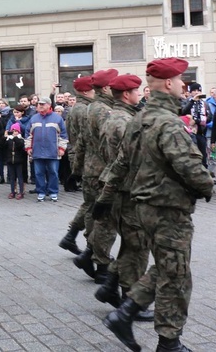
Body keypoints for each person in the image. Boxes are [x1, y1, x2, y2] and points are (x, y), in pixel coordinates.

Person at [103, 58, 213, 352]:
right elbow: (189, 166)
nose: (182, 85)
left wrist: (104, 198)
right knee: (176, 274)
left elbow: (121, 163)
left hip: (144, 206)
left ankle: (127, 315)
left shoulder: (140, 118)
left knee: (169, 267)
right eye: (180, 80)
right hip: (167, 208)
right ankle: (167, 342)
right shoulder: (168, 122)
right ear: (168, 83)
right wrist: (207, 186)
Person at [91, 74, 154, 323]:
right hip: (129, 191)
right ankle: (131, 300)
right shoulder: (125, 120)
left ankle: (110, 286)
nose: (139, 95)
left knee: (130, 243)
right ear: (127, 95)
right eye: (137, 92)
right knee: (137, 248)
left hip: (119, 188)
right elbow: (130, 160)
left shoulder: (115, 116)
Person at [72, 69, 119, 282]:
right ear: (107, 88)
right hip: (102, 172)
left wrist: (77, 168)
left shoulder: (91, 107)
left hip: (92, 170)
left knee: (96, 215)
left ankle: (89, 253)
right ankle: (100, 261)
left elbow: (81, 141)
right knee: (105, 219)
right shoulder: (103, 111)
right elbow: (108, 145)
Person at [58, 76, 95, 255]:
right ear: (86, 91)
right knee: (93, 204)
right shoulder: (83, 110)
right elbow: (84, 139)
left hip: (82, 159)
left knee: (89, 203)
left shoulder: (76, 109)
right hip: (88, 160)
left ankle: (71, 236)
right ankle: (91, 249)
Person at [25, 97, 68, 202]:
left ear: (49, 105)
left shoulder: (57, 119)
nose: (40, 106)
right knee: (39, 173)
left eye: (43, 104)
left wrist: (62, 148)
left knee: (53, 172)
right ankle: (41, 192)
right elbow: (28, 135)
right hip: (37, 151)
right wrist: (28, 147)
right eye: (39, 104)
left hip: (53, 152)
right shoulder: (34, 118)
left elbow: (63, 135)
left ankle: (53, 192)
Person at [181, 82, 211, 168]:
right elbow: (183, 112)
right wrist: (192, 101)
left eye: (198, 90)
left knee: (203, 156)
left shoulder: (204, 103)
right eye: (194, 90)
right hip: (189, 132)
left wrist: (197, 121)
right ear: (190, 92)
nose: (197, 92)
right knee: (192, 156)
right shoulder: (186, 101)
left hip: (201, 132)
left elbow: (209, 117)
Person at [6, 123, 26, 199]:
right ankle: (12, 191)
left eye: (16, 131)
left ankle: (21, 192)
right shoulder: (8, 140)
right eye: (13, 131)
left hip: (19, 161)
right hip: (10, 161)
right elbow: (3, 146)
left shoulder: (21, 139)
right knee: (12, 177)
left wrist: (15, 138)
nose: (15, 132)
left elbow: (20, 146)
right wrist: (5, 138)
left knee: (20, 177)